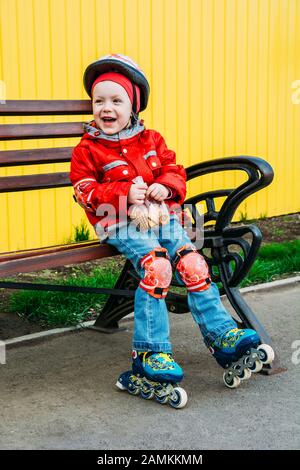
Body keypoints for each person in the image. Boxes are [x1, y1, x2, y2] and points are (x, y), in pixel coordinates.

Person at [70, 54, 274, 408]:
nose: (106, 107)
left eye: (116, 100)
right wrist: (122, 194)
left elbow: (175, 170)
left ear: (132, 104)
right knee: (158, 267)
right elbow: (83, 190)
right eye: (98, 100)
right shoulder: (88, 149)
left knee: (193, 263)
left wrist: (165, 186)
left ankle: (222, 335)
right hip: (117, 220)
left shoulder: (152, 139)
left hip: (163, 216)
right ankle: (149, 356)